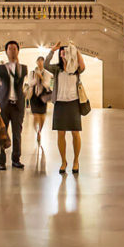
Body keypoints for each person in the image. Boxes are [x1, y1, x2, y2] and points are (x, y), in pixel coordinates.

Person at [47, 41, 85, 175]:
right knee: (60, 133)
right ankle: (63, 161)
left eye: (66, 50)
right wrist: (52, 50)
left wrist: (76, 50)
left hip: (74, 102)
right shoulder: (57, 68)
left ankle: (76, 160)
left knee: (75, 133)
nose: (63, 52)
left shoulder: (75, 68)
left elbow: (83, 66)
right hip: (60, 103)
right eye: (62, 51)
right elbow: (46, 64)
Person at [0, 40, 27, 171]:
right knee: (1, 133)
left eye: (15, 48)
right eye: (10, 48)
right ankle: (1, 161)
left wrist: (16, 62)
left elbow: (19, 77)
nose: (12, 50)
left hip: (18, 106)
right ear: (6, 51)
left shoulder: (23, 68)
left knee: (17, 134)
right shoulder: (1, 68)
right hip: (4, 104)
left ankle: (16, 159)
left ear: (18, 51)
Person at [26, 55, 53, 145]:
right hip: (34, 96)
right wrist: (36, 78)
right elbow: (30, 83)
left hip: (43, 97)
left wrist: (41, 77)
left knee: (42, 117)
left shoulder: (47, 73)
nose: (40, 63)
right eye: (39, 61)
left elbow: (47, 85)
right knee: (36, 116)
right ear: (37, 62)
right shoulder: (32, 73)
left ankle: (40, 131)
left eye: (42, 61)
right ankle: (37, 131)